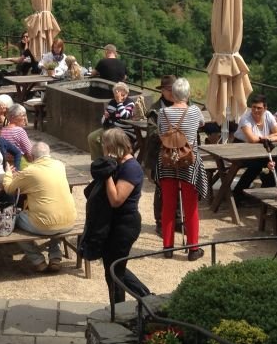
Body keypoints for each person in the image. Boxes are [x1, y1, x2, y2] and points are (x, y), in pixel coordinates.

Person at [2, 141, 77, 273]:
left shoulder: (30, 171)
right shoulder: (60, 165)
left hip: (44, 224)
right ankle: (55, 257)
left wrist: (8, 173)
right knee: (54, 215)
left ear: (31, 156)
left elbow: (9, 189)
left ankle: (38, 260)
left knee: (14, 220)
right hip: (69, 221)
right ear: (49, 153)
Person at [157, 77, 209, 260]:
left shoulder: (162, 112)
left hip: (167, 161)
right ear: (188, 94)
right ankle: (193, 248)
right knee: (191, 206)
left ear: (172, 93)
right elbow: (202, 124)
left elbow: (160, 132)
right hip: (189, 162)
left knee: (168, 205)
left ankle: (167, 247)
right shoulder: (194, 111)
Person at [95, 128, 149, 304]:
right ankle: (146, 298)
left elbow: (116, 200)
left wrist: (107, 174)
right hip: (114, 223)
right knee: (114, 268)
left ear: (112, 146)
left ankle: (120, 310)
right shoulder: (117, 163)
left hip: (125, 225)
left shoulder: (131, 168)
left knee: (115, 272)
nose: (102, 148)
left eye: (104, 144)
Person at [231, 93, 277, 202]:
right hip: (241, 148)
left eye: (259, 108)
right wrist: (270, 137)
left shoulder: (268, 115)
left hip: (261, 149)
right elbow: (251, 139)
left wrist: (267, 138)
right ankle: (237, 194)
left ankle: (267, 185)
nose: (256, 110)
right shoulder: (245, 118)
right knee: (256, 165)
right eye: (254, 107)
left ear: (265, 108)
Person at [142, 75, 176, 235]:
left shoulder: (183, 105)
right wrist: (171, 135)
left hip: (179, 154)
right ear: (162, 90)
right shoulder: (155, 110)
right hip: (159, 155)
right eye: (169, 89)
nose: (172, 92)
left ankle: (177, 220)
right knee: (162, 190)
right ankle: (161, 222)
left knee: (178, 187)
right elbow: (152, 133)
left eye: (174, 89)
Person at [87, 81, 135, 160]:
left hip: (124, 131)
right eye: (118, 95)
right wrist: (105, 117)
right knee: (92, 137)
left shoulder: (129, 103)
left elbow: (125, 115)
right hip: (111, 128)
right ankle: (99, 160)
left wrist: (119, 102)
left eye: (123, 95)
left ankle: (109, 160)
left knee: (107, 140)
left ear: (127, 94)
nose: (121, 97)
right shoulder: (112, 102)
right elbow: (103, 122)